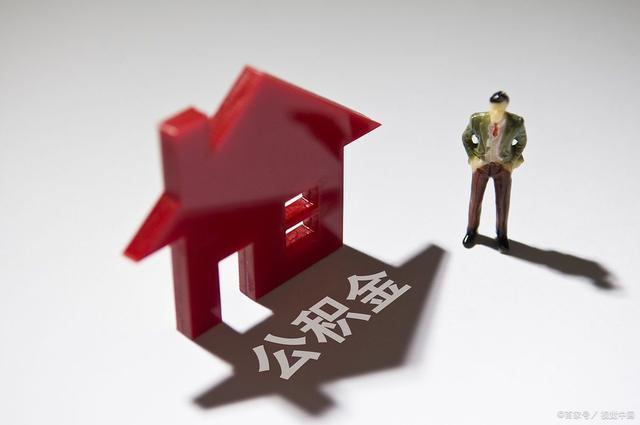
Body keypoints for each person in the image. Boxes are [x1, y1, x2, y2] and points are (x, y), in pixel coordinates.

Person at [461, 91, 527, 252]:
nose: (496, 111)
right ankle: (471, 230)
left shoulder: (516, 122)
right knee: (475, 200)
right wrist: (473, 158)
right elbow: (466, 137)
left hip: (502, 167)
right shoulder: (477, 119)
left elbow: (521, 141)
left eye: (499, 108)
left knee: (502, 202)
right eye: (493, 107)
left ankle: (502, 235)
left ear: (505, 107)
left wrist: (511, 162)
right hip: (482, 166)